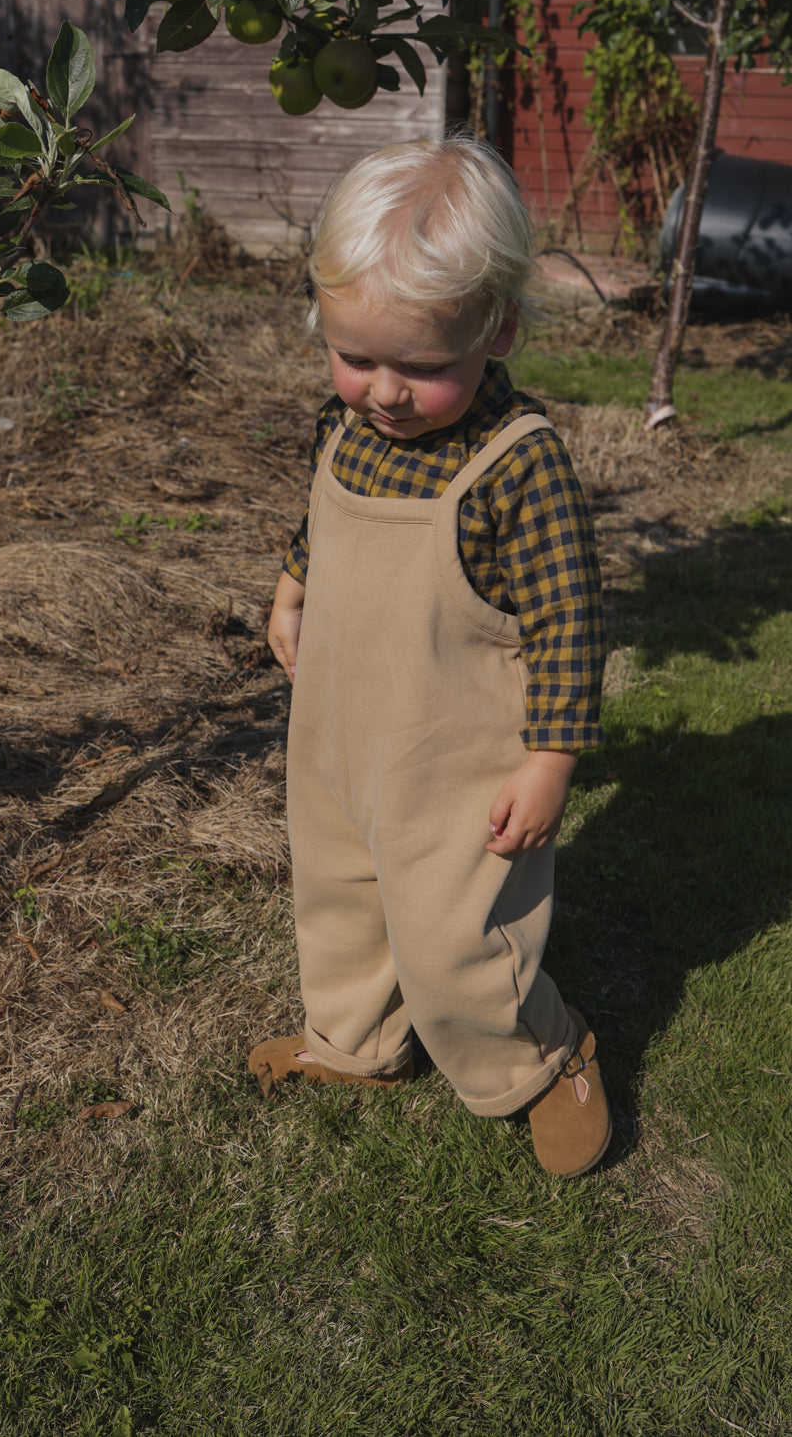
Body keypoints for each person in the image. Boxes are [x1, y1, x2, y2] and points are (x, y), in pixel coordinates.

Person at [248, 132, 612, 1178]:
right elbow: (320, 518)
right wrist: (292, 582)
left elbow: (569, 623)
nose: (384, 392)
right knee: (340, 897)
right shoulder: (346, 423)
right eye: (355, 356)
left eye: (421, 366)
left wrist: (549, 760)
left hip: (457, 764)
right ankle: (356, 1041)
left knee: (457, 940)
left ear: (494, 331)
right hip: (341, 733)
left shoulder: (515, 463)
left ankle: (544, 1054)